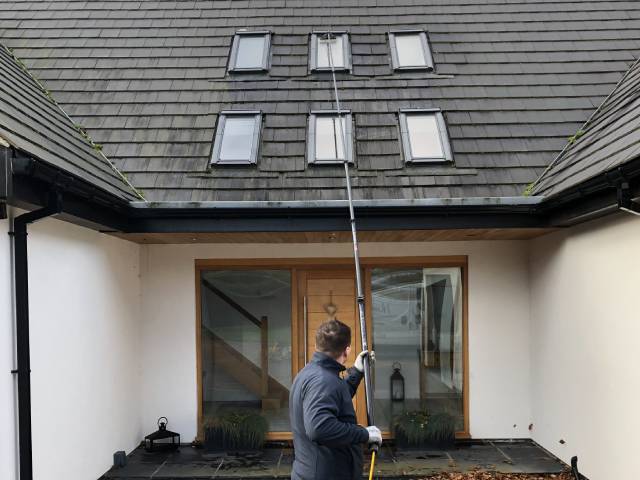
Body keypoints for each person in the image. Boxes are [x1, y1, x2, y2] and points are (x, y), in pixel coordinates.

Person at [289, 319, 382, 480]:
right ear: (346, 351)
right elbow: (319, 428)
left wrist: (357, 371)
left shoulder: (311, 373)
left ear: (317, 346)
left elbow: (334, 398)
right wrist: (364, 434)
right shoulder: (323, 381)